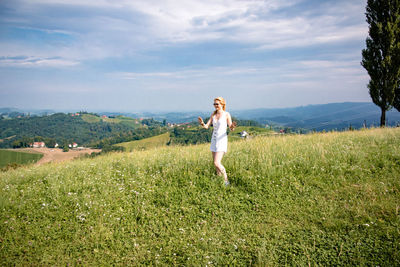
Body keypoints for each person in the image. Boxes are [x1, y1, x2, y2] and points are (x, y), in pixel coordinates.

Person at [198, 97, 237, 186]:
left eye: (217, 104)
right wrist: (202, 123)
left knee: (217, 162)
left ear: (222, 104)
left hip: (222, 140)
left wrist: (233, 126)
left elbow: (231, 128)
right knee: (215, 164)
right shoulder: (213, 114)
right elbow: (207, 126)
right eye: (214, 104)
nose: (215, 105)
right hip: (214, 139)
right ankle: (219, 180)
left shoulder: (226, 114)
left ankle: (226, 180)